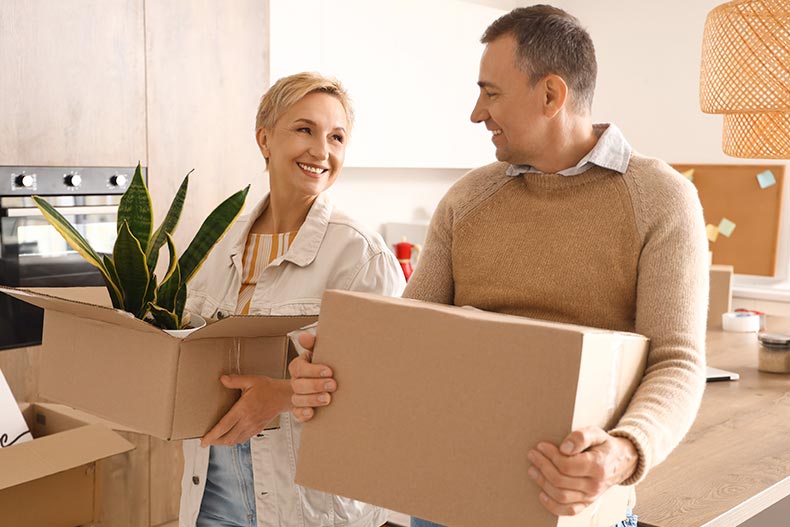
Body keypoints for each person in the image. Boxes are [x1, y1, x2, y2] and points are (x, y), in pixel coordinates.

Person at [289, 5, 708, 527]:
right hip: (445, 504)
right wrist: (333, 371)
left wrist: (623, 452)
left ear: (551, 95)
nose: (475, 113)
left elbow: (677, 361)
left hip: (574, 508)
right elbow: (410, 341)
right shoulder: (467, 200)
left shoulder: (662, 199)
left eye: (491, 93)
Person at [178, 72, 406, 527]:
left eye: (336, 137)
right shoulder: (217, 242)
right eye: (305, 129)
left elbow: (394, 389)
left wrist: (281, 395)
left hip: (308, 504)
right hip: (212, 492)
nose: (322, 151)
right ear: (264, 138)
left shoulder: (360, 254)